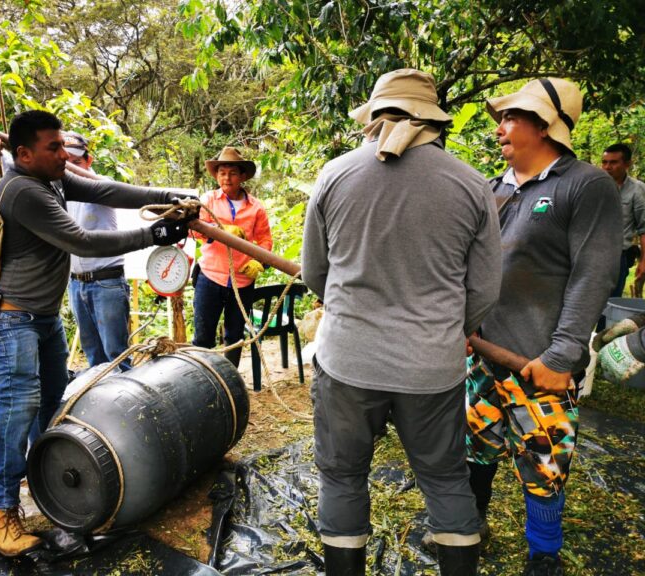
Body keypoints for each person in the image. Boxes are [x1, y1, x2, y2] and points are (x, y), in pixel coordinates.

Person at [301, 68, 502, 576]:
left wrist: (351, 314)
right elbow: (484, 289)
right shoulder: (473, 185)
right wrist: (447, 334)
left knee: (343, 477)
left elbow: (314, 272)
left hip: (348, 361)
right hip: (432, 368)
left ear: (373, 115)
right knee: (445, 479)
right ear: (431, 117)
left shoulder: (336, 174)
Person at [0, 110, 191, 557]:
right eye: (53, 148)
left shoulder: (51, 177)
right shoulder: (22, 190)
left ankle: (47, 483)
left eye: (62, 146)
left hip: (42, 316)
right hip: (8, 316)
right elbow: (82, 241)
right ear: (23, 154)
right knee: (21, 404)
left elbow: (105, 188)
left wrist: (170, 195)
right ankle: (2, 514)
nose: (63, 154)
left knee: (52, 401)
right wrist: (152, 234)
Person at [465, 78, 621, 576]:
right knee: (476, 447)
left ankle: (544, 557)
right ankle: (472, 524)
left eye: (510, 119)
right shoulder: (492, 190)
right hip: (483, 355)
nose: (499, 131)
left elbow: (593, 273)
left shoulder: (584, 185)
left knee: (544, 465)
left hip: (539, 364)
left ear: (545, 126)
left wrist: (562, 355)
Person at [191, 147, 272, 368]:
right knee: (203, 336)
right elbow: (193, 230)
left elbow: (265, 241)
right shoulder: (207, 201)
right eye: (222, 172)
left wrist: (259, 263)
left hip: (243, 281)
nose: (227, 177)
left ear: (242, 176)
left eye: (232, 173)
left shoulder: (256, 208)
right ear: (217, 176)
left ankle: (230, 381)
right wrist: (219, 230)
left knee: (235, 336)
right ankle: (201, 380)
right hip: (210, 277)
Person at [63, 131, 132, 371]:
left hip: (106, 281)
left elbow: (114, 193)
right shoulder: (58, 190)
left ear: (88, 161)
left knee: (117, 355)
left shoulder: (100, 185)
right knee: (94, 356)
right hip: (76, 284)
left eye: (77, 163)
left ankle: (128, 406)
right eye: (65, 162)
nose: (70, 168)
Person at [601, 143, 645, 298]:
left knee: (611, 302)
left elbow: (643, 227)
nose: (607, 167)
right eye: (604, 162)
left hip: (618, 256)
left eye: (613, 162)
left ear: (627, 164)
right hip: (591, 252)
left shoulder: (637, 189)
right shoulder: (594, 186)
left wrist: (643, 261)